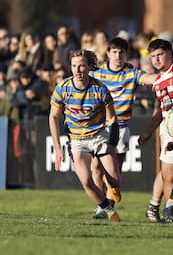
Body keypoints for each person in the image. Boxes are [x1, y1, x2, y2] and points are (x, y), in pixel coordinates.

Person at [49, 49, 121, 222]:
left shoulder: (100, 89)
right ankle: (108, 211)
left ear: (90, 67)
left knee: (115, 179)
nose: (77, 70)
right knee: (86, 181)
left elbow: (112, 119)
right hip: (77, 140)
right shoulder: (63, 88)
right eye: (74, 66)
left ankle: (113, 189)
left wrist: (111, 144)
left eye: (81, 66)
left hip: (98, 135)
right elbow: (53, 117)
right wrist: (58, 148)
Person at [90, 37, 158, 212]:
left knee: (115, 169)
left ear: (126, 55)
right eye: (114, 52)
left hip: (120, 128)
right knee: (96, 167)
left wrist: (171, 75)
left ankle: (111, 194)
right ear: (108, 54)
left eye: (121, 52)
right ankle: (102, 206)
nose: (118, 56)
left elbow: (150, 79)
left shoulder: (131, 73)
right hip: (100, 127)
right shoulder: (98, 73)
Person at [138, 39, 173, 224]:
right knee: (168, 175)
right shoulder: (158, 81)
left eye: (160, 54)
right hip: (169, 129)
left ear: (171, 53)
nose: (156, 59)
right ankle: (172, 214)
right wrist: (148, 132)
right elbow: (160, 111)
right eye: (153, 56)